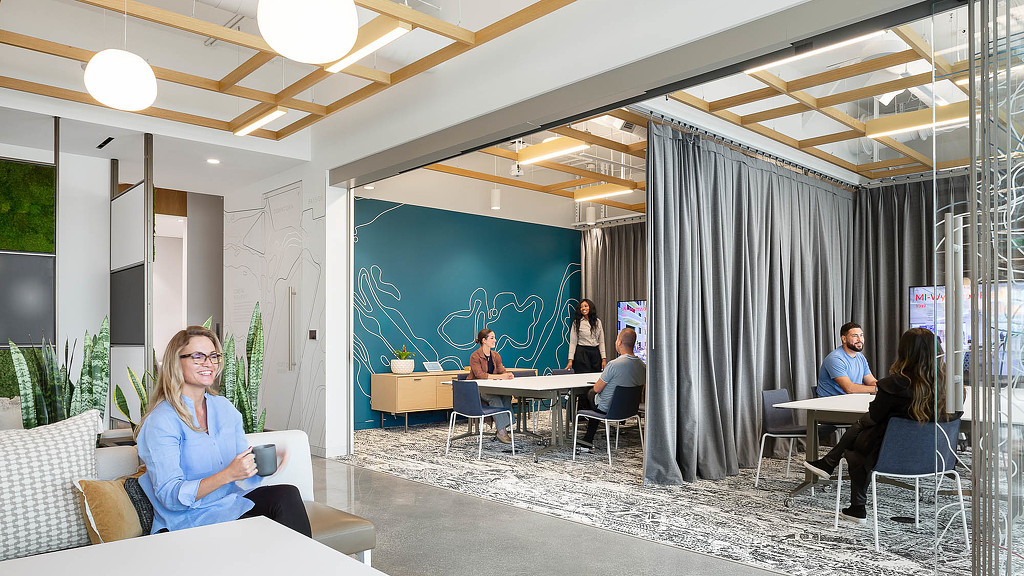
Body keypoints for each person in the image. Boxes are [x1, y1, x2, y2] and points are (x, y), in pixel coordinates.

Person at [136, 326, 311, 536]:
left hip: (229, 504)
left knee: (286, 495)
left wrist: (260, 463)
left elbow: (242, 471)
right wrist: (228, 475)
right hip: (187, 519)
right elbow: (170, 496)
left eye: (213, 356)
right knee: (259, 532)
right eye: (198, 356)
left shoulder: (224, 408)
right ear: (176, 362)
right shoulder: (162, 421)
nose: (209, 363)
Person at [821, 328, 957, 524]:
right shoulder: (952, 388)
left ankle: (857, 507)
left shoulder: (892, 386)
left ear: (904, 353)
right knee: (863, 433)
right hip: (937, 457)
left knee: (856, 448)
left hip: (888, 458)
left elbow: (875, 417)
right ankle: (829, 464)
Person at [576, 327, 646, 449]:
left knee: (590, 393)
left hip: (608, 409)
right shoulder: (642, 366)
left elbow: (597, 389)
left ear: (619, 342)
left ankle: (588, 438)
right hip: (630, 409)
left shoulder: (613, 365)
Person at [469, 328, 515, 444]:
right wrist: (500, 377)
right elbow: (479, 375)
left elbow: (501, 370)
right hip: (478, 389)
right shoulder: (475, 356)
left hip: (492, 388)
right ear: (484, 340)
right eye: (492, 338)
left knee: (507, 396)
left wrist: (506, 375)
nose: (495, 340)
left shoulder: (495, 355)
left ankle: (502, 428)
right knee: (494, 399)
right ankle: (502, 431)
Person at [816, 322, 878, 397]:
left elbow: (871, 381)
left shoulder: (860, 357)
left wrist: (885, 387)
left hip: (852, 401)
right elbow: (849, 388)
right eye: (855, 336)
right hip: (831, 405)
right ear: (844, 339)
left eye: (861, 335)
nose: (859, 339)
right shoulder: (835, 359)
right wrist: (877, 389)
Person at [566, 299, 606, 373]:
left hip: (595, 354)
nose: (583, 308)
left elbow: (601, 342)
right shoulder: (576, 323)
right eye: (581, 307)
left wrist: (604, 359)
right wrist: (570, 360)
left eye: (585, 306)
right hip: (582, 354)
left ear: (590, 307)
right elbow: (572, 343)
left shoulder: (598, 322)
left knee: (595, 378)